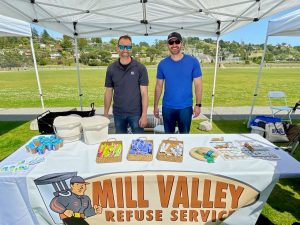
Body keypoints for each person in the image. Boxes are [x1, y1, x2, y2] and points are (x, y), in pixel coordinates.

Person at [153, 32, 203, 134]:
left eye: (177, 42)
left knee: (184, 137)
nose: (174, 45)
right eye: (171, 42)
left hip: (185, 108)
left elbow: (198, 84)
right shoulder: (162, 64)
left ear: (182, 44)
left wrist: (198, 105)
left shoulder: (193, 62)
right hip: (167, 108)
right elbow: (158, 86)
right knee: (168, 138)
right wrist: (155, 106)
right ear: (168, 45)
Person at [104, 35, 149, 134]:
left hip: (136, 113)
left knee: (139, 141)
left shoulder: (140, 68)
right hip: (118, 113)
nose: (125, 49)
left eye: (128, 47)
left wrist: (144, 114)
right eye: (122, 46)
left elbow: (144, 93)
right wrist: (106, 113)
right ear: (117, 48)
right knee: (121, 142)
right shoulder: (111, 69)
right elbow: (108, 92)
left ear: (131, 49)